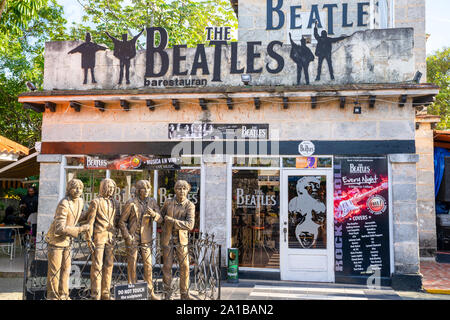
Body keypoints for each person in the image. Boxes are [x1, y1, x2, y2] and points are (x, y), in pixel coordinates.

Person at [45, 179, 90, 300]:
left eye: (80, 188)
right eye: (74, 188)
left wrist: (89, 213)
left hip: (68, 241)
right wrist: (81, 229)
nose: (78, 190)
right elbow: (60, 228)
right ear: (68, 189)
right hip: (56, 240)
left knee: (66, 270)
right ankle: (52, 296)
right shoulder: (64, 203)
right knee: (55, 271)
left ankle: (64, 295)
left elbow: (74, 218)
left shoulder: (80, 201)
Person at [119, 180, 162, 300]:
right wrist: (127, 236)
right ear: (138, 190)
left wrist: (154, 214)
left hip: (146, 238)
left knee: (148, 264)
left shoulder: (152, 202)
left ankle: (150, 292)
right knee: (131, 263)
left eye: (149, 188)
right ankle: (132, 289)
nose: (147, 190)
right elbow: (122, 222)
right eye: (144, 188)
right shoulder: (131, 202)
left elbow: (160, 219)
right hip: (133, 237)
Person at [160, 180, 195, 300]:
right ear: (175, 190)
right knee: (167, 266)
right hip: (168, 238)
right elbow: (161, 217)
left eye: (184, 188)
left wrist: (174, 222)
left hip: (181, 240)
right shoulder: (168, 202)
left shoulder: (190, 205)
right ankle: (167, 293)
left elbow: (190, 225)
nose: (182, 191)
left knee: (185, 266)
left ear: (187, 190)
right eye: (179, 188)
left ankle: (184, 294)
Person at [85, 178, 119, 300]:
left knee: (109, 265)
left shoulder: (116, 202)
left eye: (113, 187)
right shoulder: (96, 202)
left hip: (110, 237)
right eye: (109, 187)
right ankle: (95, 294)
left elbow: (117, 220)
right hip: (99, 237)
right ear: (103, 187)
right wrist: (89, 239)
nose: (111, 189)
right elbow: (90, 222)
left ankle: (106, 293)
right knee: (97, 266)